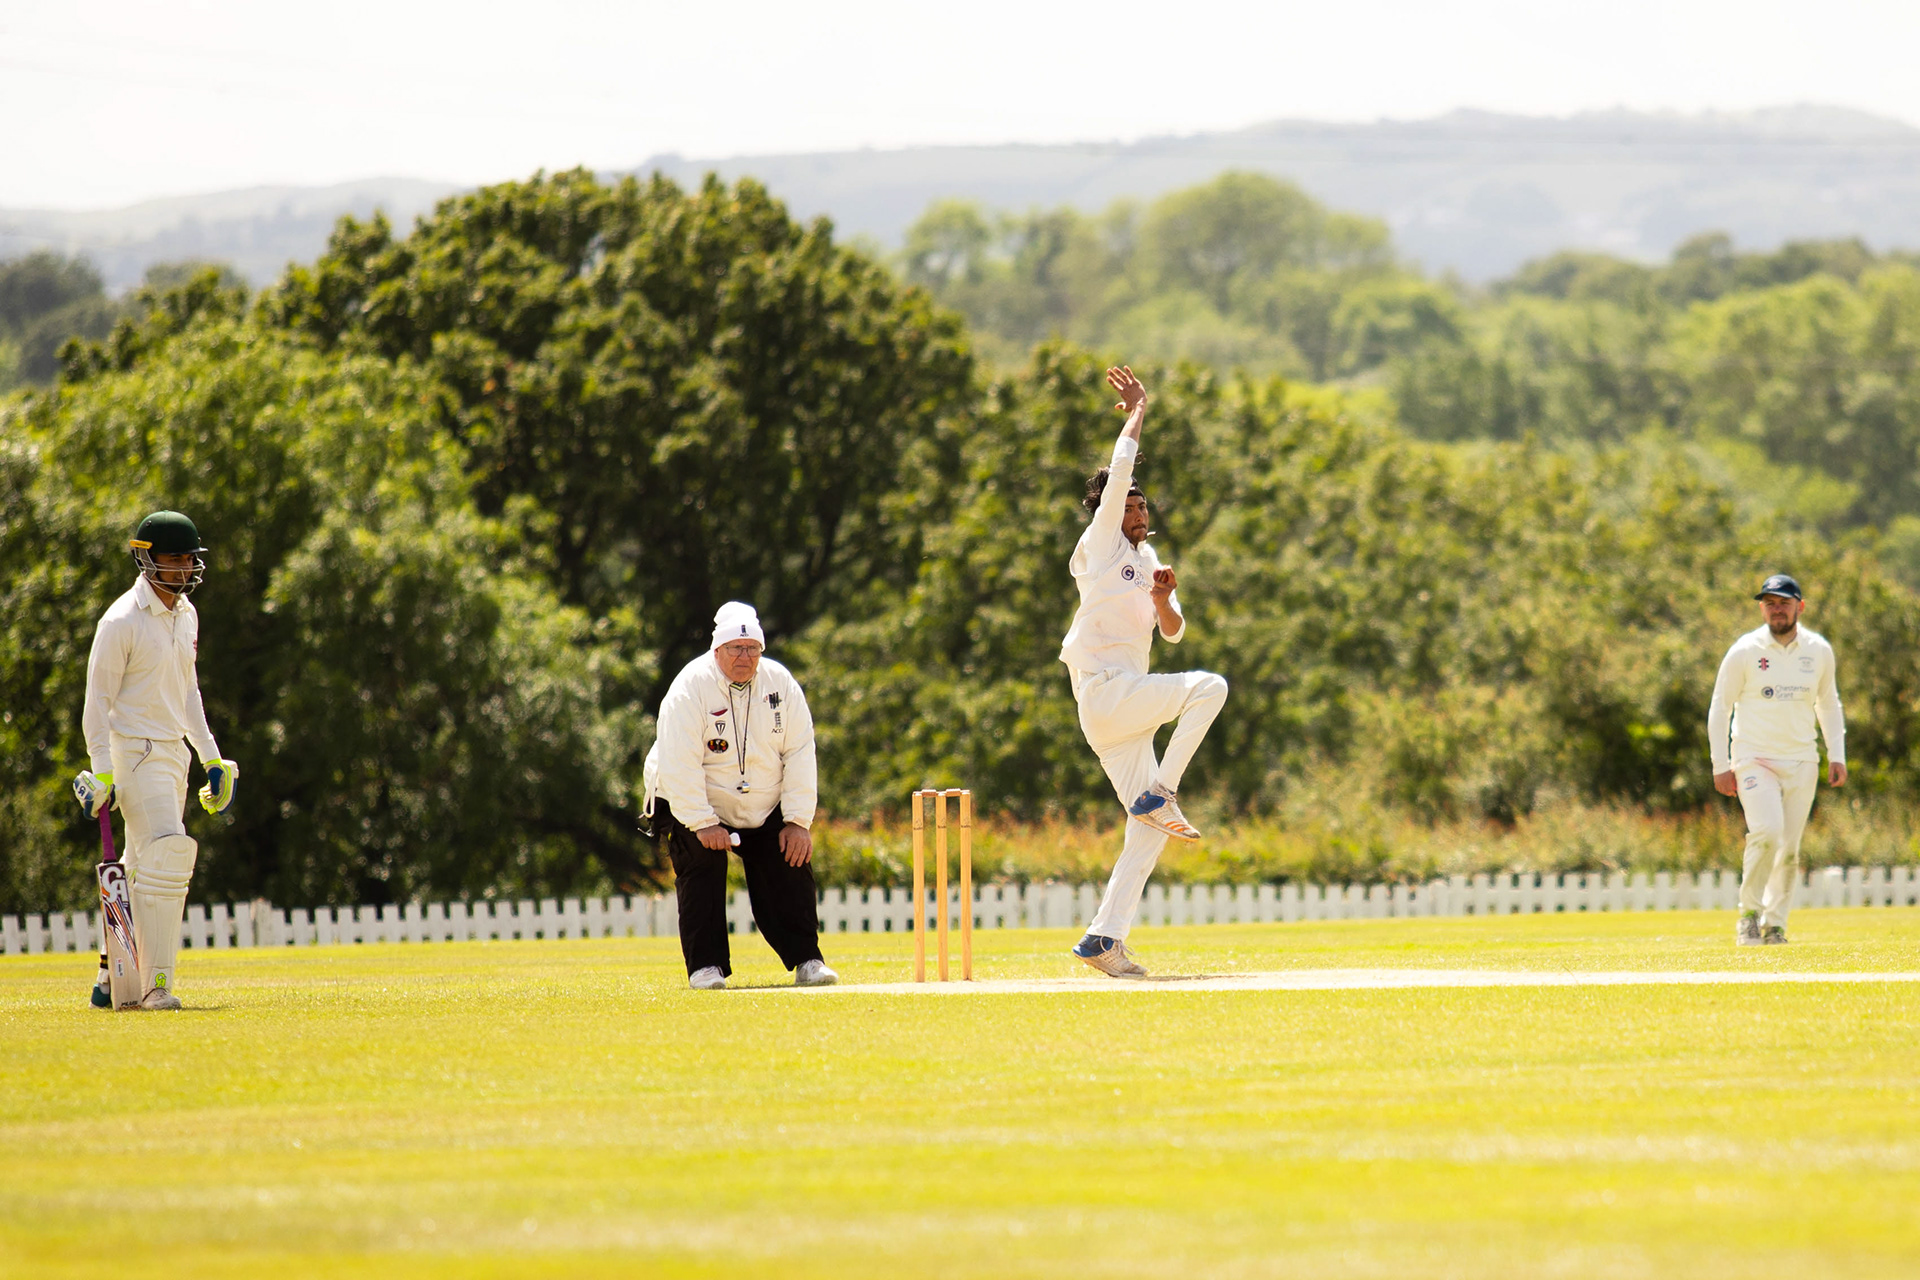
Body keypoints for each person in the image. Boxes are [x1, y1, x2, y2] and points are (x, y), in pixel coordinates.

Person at [1061, 366, 1229, 978]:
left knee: (1149, 834)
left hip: (1121, 714)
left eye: (1140, 506)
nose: (1136, 510)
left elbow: (1174, 630)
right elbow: (1120, 472)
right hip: (1105, 694)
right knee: (1211, 687)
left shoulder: (1149, 556)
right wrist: (1138, 410)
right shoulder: (1099, 543)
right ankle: (1164, 792)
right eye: (1127, 503)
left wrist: (1162, 601)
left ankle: (1104, 938)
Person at [74, 511, 238, 1010]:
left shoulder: (186, 614)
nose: (184, 568)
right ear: (145, 558)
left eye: (190, 559)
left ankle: (109, 977)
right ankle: (155, 986)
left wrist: (210, 758)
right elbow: (95, 704)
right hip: (134, 752)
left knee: (141, 862)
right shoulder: (121, 620)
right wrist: (102, 769)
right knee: (169, 853)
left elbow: (187, 693)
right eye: (173, 558)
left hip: (172, 756)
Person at [642, 601, 836, 989]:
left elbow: (799, 750)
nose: (745, 657)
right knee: (700, 864)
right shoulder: (689, 689)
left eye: (752, 649)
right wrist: (702, 822)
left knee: (791, 858)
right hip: (695, 799)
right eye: (735, 648)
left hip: (762, 800)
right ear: (717, 651)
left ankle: (808, 960)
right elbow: (680, 764)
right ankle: (705, 967)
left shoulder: (781, 683)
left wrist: (798, 820)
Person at [1707, 573, 1846, 946]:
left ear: (1799, 606)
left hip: (1802, 759)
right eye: (1769, 603)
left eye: (1784, 603)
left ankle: (1775, 925)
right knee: (1766, 833)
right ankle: (1748, 916)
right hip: (1754, 759)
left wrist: (1837, 754)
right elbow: (1720, 708)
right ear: (1761, 608)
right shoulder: (1745, 650)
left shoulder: (1818, 650)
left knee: (1789, 848)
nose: (1777, 609)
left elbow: (1828, 703)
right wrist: (1721, 765)